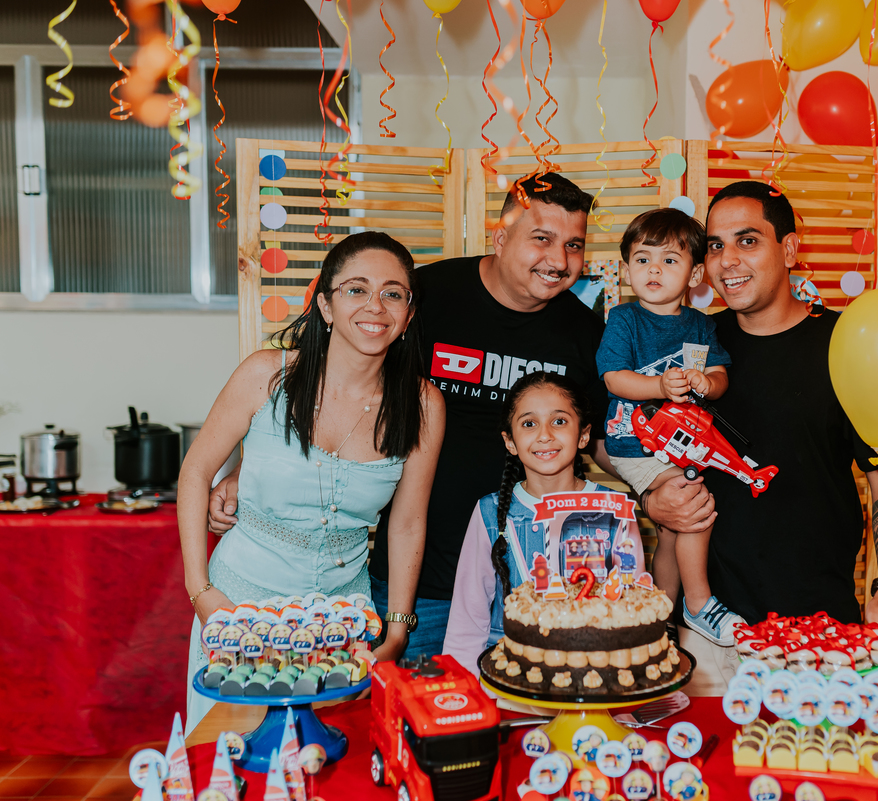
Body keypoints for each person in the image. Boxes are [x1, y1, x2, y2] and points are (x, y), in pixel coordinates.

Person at [208, 173, 611, 659]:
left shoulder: (588, 332)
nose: (559, 260)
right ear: (501, 237)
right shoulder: (425, 296)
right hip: (421, 586)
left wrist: (656, 486)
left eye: (574, 245)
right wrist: (244, 467)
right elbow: (321, 383)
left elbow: (602, 439)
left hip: (540, 581)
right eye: (542, 239)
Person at [639, 181, 878, 690]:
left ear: (789, 249)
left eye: (748, 241)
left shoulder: (847, 345)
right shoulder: (695, 342)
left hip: (820, 630)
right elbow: (620, 436)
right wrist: (652, 496)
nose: (727, 261)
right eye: (716, 245)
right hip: (710, 633)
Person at [178, 232, 445, 732]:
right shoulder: (266, 376)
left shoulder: (423, 403)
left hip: (344, 619)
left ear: (408, 314)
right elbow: (195, 471)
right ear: (324, 304)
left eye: (393, 293)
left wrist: (398, 627)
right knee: (235, 761)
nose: (376, 306)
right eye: (356, 289)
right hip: (238, 606)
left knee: (328, 755)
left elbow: (408, 523)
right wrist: (201, 592)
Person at [594, 208, 740, 645]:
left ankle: (662, 615)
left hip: (680, 442)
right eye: (642, 259)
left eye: (669, 260)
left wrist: (706, 382)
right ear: (626, 269)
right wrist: (658, 384)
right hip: (635, 443)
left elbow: (720, 376)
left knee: (675, 528)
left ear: (696, 274)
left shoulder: (700, 324)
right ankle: (699, 603)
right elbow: (613, 376)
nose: (654, 269)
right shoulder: (625, 319)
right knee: (692, 505)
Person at [442, 371, 646, 674]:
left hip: (594, 677)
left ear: (584, 435)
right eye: (528, 424)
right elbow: (467, 622)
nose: (545, 434)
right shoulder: (489, 511)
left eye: (559, 421)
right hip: (511, 680)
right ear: (509, 442)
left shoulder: (614, 509)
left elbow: (635, 606)